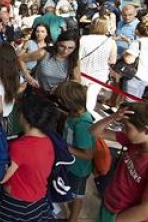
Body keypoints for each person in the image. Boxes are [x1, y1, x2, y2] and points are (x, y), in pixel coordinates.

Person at [90, 102, 148, 222]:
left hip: (122, 216)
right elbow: (94, 131)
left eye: (127, 127)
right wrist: (113, 117)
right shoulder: (135, 142)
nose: (123, 130)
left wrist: (115, 220)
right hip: (110, 204)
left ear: (147, 131)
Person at [0, 94, 57, 222]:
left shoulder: (20, 146)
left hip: (16, 205)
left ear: (25, 117)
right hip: (38, 201)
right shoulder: (47, 141)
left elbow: (1, 177)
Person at [53, 81, 94, 222]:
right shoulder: (73, 115)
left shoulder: (82, 125)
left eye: (62, 100)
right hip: (71, 164)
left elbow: (88, 154)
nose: (59, 102)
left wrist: (65, 147)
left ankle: (73, 219)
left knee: (77, 196)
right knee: (70, 191)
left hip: (79, 169)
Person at [79, 16, 117, 112]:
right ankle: (87, 116)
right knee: (91, 96)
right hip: (99, 74)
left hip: (82, 71)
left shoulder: (83, 39)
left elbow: (78, 56)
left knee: (78, 95)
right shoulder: (111, 42)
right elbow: (113, 61)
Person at [122, 21, 148, 101]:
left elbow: (129, 60)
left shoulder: (137, 43)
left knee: (129, 103)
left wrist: (125, 52)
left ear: (137, 31)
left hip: (135, 75)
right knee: (137, 100)